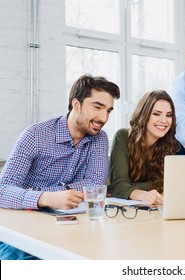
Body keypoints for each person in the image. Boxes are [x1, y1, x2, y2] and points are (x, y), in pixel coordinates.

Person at [0, 74, 120, 259]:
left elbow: (95, 184)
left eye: (109, 111)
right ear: (76, 104)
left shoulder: (99, 138)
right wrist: (45, 197)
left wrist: (50, 193)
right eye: (97, 107)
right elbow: (2, 190)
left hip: (69, 227)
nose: (103, 118)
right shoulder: (35, 135)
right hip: (22, 228)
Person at [108, 90, 178, 205]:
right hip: (126, 209)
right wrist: (142, 194)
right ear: (143, 115)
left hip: (155, 205)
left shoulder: (170, 142)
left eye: (169, 115)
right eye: (156, 114)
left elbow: (169, 182)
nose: (164, 121)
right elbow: (118, 186)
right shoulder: (123, 137)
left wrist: (130, 187)